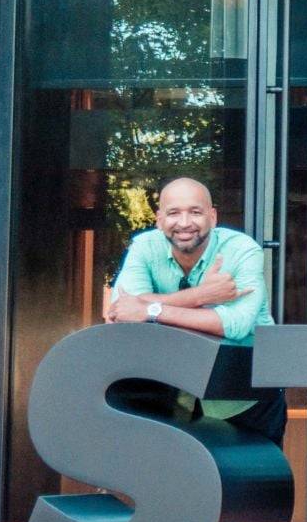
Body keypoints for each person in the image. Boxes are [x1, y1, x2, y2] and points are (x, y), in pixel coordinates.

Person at [102, 176, 283, 442]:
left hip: (245, 393)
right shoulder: (144, 246)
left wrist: (150, 311)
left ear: (213, 216)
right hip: (171, 390)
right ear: (159, 218)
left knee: (250, 481)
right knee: (170, 479)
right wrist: (202, 296)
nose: (184, 223)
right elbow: (122, 312)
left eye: (195, 212)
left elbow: (236, 324)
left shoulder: (242, 250)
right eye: (174, 213)